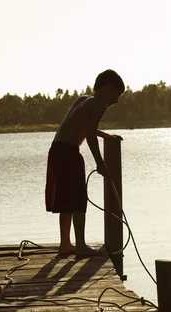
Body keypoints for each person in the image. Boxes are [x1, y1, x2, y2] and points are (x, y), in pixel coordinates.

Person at [45, 69, 124, 257]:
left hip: (57, 150)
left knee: (66, 199)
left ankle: (65, 244)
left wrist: (106, 135)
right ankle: (80, 245)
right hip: (69, 153)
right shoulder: (99, 105)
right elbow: (89, 135)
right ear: (108, 88)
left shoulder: (82, 100)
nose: (117, 100)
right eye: (117, 94)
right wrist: (100, 162)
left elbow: (85, 126)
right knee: (79, 199)